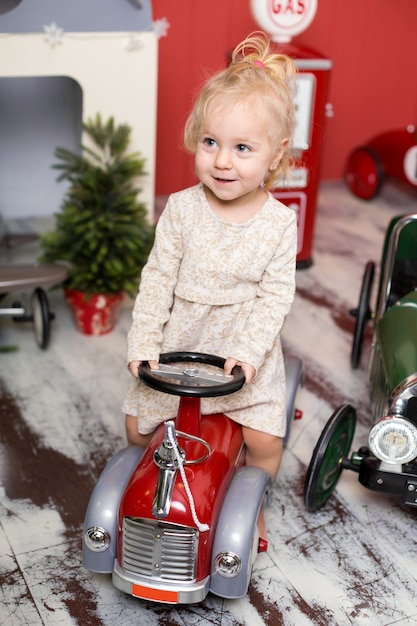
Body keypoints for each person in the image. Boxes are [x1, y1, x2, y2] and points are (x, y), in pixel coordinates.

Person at [123, 31, 298, 538]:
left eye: (242, 148)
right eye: (211, 143)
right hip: (182, 343)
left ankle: (252, 499)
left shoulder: (278, 223)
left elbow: (273, 299)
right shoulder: (181, 209)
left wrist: (247, 354)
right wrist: (145, 343)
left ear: (275, 155)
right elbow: (157, 279)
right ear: (196, 138)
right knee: (138, 430)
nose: (222, 161)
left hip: (241, 351)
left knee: (264, 440)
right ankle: (157, 495)